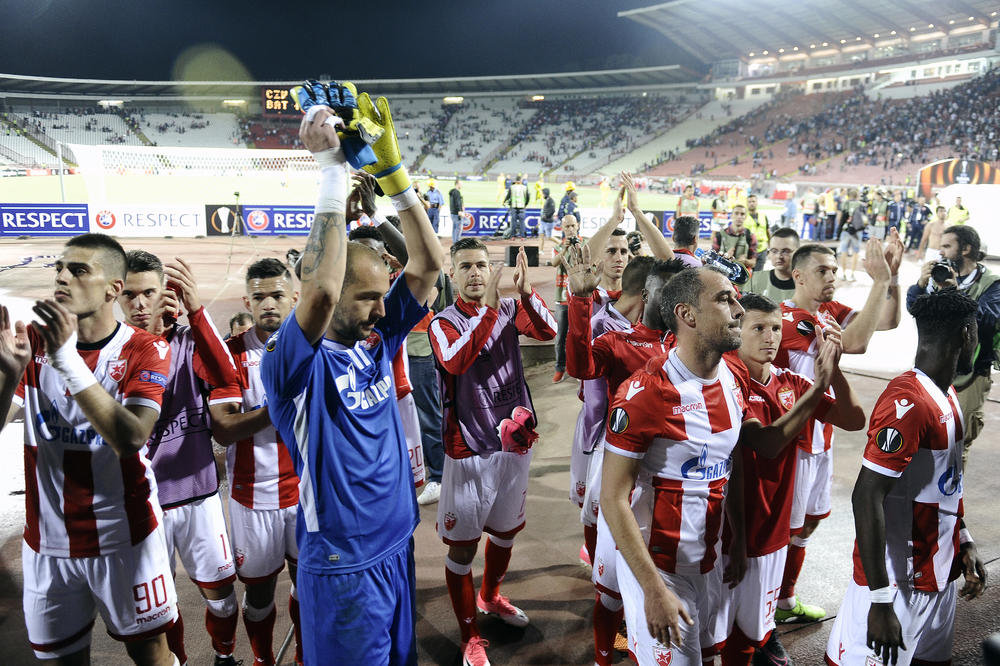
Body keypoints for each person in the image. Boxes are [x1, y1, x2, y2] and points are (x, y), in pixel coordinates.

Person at [261, 82, 443, 664]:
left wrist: (394, 176)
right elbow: (316, 293)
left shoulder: (377, 336)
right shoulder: (293, 366)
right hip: (342, 566)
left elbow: (428, 266)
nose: (384, 309)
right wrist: (332, 172)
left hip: (395, 545)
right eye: (366, 297)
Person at [600, 266, 841, 665]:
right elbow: (612, 498)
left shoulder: (732, 377)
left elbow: (759, 448)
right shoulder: (645, 393)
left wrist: (819, 387)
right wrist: (652, 589)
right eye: (725, 300)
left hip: (711, 559)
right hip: (661, 567)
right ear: (687, 315)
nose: (738, 310)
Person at [0, 233, 179, 665]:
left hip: (124, 539)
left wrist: (66, 359)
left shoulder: (145, 348)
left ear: (112, 289)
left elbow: (132, 435)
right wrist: (9, 375)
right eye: (60, 267)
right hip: (47, 543)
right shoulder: (34, 343)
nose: (62, 276)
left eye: (79, 270)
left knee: (152, 656)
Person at [825, 289, 988, 666]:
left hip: (937, 575)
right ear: (967, 334)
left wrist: (962, 539)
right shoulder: (910, 401)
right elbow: (866, 496)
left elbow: (942, 486)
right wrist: (880, 601)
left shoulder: (944, 393)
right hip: (898, 585)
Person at [717, 293, 865, 666]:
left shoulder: (790, 382)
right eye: (758, 328)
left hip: (770, 530)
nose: (770, 337)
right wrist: (818, 388)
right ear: (737, 331)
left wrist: (836, 369)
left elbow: (853, 419)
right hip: (727, 531)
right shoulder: (726, 379)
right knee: (714, 634)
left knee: (748, 632)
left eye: (776, 329)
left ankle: (764, 637)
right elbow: (766, 444)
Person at [429, 239, 556, 666]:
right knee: (462, 549)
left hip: (514, 443)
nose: (475, 273)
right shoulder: (442, 323)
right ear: (452, 275)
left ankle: (491, 596)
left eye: (482, 264)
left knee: (505, 532)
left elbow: (549, 331)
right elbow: (457, 361)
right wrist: (490, 307)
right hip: (468, 451)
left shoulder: (508, 308)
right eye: (465, 266)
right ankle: (470, 637)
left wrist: (524, 294)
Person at [118, 251, 242, 666]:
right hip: (142, 505)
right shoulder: (113, 352)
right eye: (130, 294)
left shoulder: (191, 342)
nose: (139, 304)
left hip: (197, 493)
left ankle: (224, 657)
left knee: (223, 598)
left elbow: (228, 376)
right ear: (116, 296)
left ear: (165, 293)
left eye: (149, 292)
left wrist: (196, 310)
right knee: (161, 610)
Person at [774, 237, 903, 624]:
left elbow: (888, 321)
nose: (831, 276)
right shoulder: (785, 318)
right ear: (798, 275)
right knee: (782, 528)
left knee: (811, 521)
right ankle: (762, 609)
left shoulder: (829, 311)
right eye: (822, 271)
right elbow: (856, 342)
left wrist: (892, 278)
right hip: (789, 443)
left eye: (833, 270)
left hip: (820, 440)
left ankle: (784, 600)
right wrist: (878, 281)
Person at [564, 254, 683, 666]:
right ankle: (602, 656)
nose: (669, 300)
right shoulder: (619, 342)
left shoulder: (688, 346)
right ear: (646, 291)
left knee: (670, 579)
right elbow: (580, 365)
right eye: (663, 290)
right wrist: (580, 303)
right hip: (623, 476)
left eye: (677, 294)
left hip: (673, 483)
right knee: (610, 588)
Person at [209, 258, 304, 666]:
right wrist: (277, 408)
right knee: (260, 592)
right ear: (247, 301)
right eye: (260, 296)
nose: (268, 304)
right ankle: (263, 658)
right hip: (252, 497)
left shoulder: (315, 347)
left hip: (305, 493)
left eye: (277, 295)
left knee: (310, 585)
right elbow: (224, 429)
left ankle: (306, 655)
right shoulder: (229, 356)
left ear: (294, 298)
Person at [566, 256, 655, 566]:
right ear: (648, 292)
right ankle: (597, 564)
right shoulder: (603, 327)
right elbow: (588, 385)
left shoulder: (660, 330)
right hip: (603, 436)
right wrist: (596, 444)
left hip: (631, 438)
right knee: (596, 508)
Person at [907, 224, 1000, 466]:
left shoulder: (992, 283)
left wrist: (953, 292)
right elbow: (914, 309)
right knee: (923, 438)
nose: (941, 252)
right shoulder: (938, 277)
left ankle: (947, 501)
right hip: (932, 371)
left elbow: (985, 320)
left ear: (966, 249)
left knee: (957, 443)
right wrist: (920, 285)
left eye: (947, 246)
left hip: (970, 374)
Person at [745, 227, 799, 303]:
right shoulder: (755, 280)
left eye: (786, 251)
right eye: (774, 251)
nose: (779, 256)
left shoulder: (808, 284)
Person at [711, 203, 757, 271]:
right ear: (731, 215)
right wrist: (724, 259)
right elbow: (712, 260)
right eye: (736, 213)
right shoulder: (720, 235)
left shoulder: (750, 236)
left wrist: (745, 261)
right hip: (722, 276)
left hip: (741, 278)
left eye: (742, 214)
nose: (739, 216)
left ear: (746, 217)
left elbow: (754, 262)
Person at [837, 188, 865, 281]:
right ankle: (853, 274)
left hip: (846, 229)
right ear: (857, 196)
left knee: (844, 251)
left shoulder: (845, 203)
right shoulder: (860, 205)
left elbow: (840, 218)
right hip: (856, 231)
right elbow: (864, 220)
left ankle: (844, 273)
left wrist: (838, 230)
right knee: (855, 252)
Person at [745, 194, 770, 272]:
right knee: (747, 275)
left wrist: (771, 247)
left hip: (762, 249)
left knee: (759, 275)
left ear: (757, 203)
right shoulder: (743, 217)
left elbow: (767, 231)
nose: (751, 203)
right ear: (746, 203)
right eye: (749, 202)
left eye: (753, 201)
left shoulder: (763, 216)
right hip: (749, 250)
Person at [503, 174, 530, 239]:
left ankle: (512, 236)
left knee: (513, 222)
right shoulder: (524, 187)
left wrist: (504, 201)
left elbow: (508, 196)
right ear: (521, 180)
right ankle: (522, 236)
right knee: (522, 222)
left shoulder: (512, 187)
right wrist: (525, 204)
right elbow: (528, 197)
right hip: (522, 207)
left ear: (515, 180)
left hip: (513, 206)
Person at [538, 187, 557, 254]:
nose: (542, 195)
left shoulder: (551, 200)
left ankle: (561, 243)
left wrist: (546, 216)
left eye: (543, 194)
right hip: (543, 222)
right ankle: (540, 250)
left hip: (548, 222)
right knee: (541, 235)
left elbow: (553, 210)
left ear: (545, 194)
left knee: (549, 237)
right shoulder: (547, 200)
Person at [449, 178, 465, 244]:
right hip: (457, 213)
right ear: (457, 184)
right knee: (458, 229)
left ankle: (454, 242)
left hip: (453, 212)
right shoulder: (457, 192)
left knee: (455, 228)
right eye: (461, 184)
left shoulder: (452, 192)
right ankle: (457, 243)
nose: (461, 186)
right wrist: (460, 211)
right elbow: (457, 202)